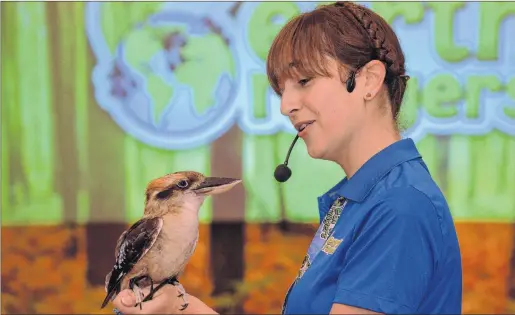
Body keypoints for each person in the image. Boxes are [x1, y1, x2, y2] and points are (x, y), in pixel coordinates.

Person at [111, 1, 463, 314]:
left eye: (304, 80)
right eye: (282, 90)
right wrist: (179, 309)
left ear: (368, 80)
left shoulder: (399, 206)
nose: (285, 106)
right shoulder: (364, 197)